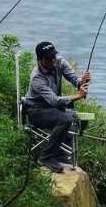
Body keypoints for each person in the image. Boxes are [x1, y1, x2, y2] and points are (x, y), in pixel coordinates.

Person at [25, 41, 91, 173]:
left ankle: (60, 153)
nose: (53, 60)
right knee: (65, 119)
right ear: (40, 60)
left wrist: (82, 81)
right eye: (48, 58)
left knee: (77, 118)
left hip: (53, 109)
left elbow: (74, 80)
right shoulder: (36, 77)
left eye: (53, 56)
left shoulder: (59, 61)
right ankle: (46, 157)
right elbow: (54, 101)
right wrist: (77, 95)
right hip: (36, 111)